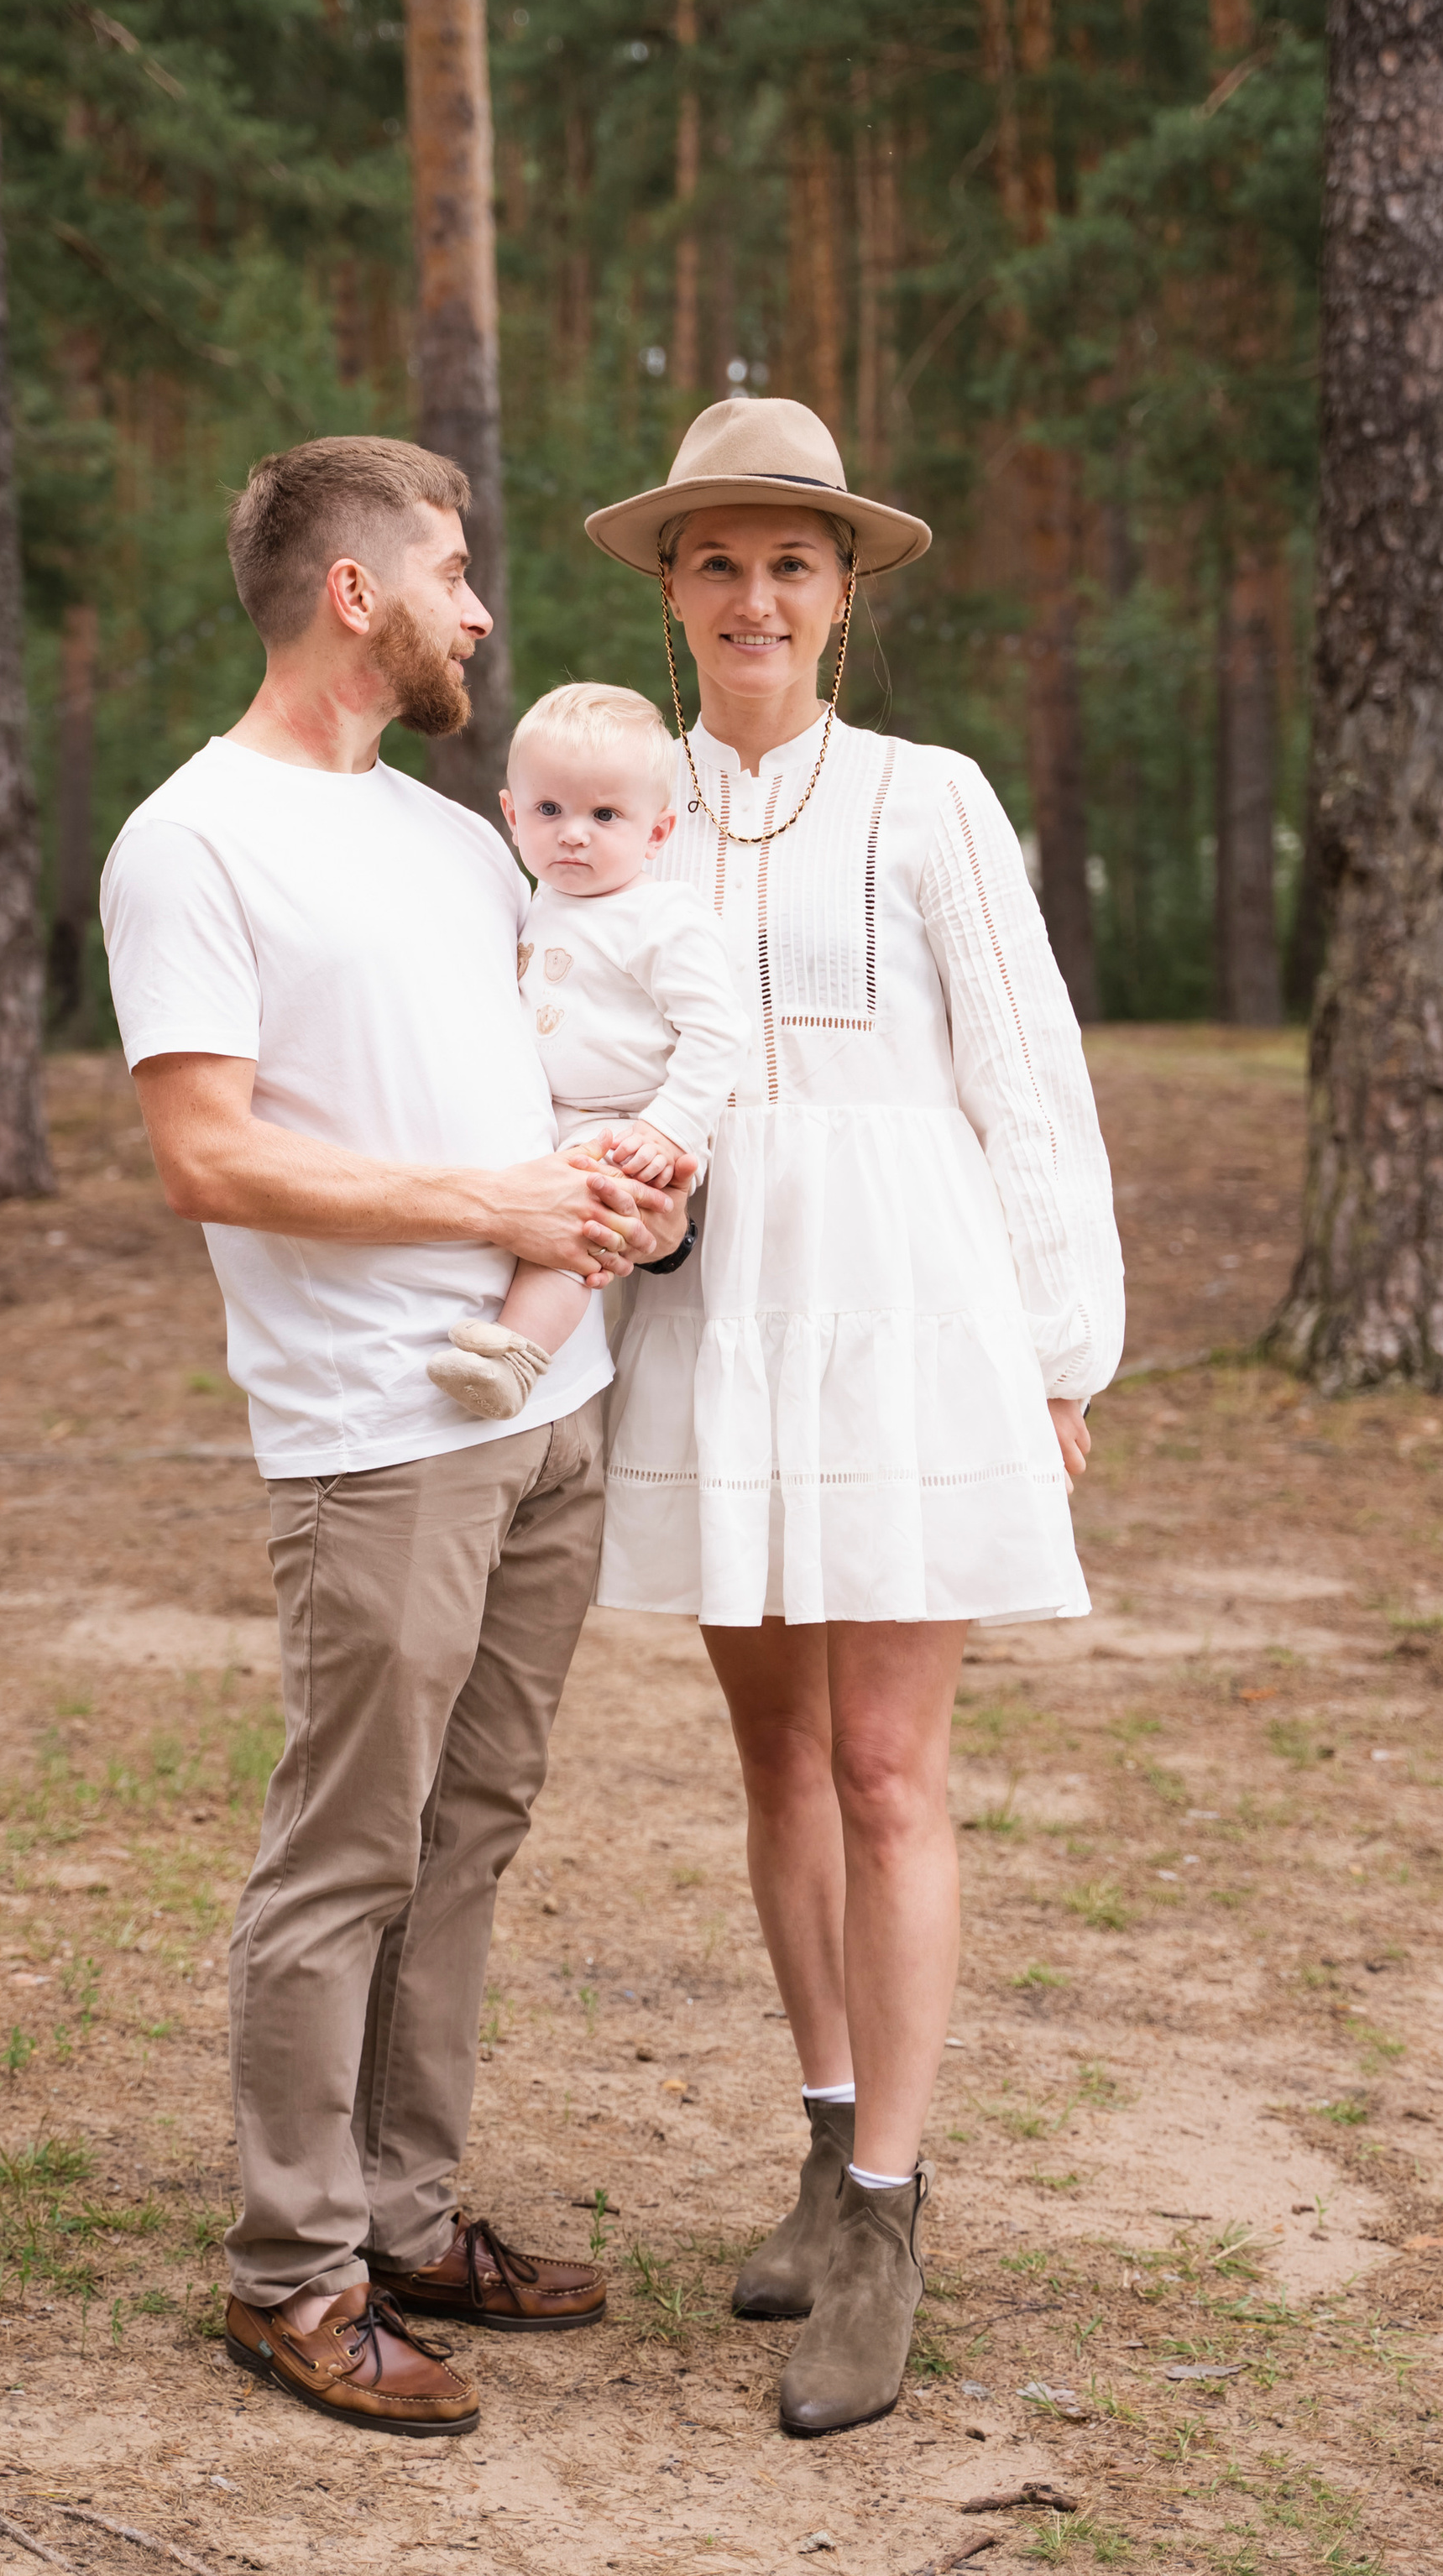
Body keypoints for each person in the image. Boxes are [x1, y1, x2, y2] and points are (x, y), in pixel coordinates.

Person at [99, 437, 691, 2440]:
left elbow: (512, 1096)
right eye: (451, 567)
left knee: (473, 1831)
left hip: (551, 1411)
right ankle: (290, 2271)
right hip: (376, 1431)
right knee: (343, 1852)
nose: (480, 607)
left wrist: (603, 1191)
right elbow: (204, 1155)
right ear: (354, 592)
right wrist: (497, 1211)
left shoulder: (457, 845)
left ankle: (412, 2214)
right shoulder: (191, 841)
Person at [583, 398, 1126, 2439]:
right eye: (714, 560)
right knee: (776, 1757)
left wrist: (1058, 1346)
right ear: (668, 587)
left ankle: (891, 2212)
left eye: (788, 562)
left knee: (891, 1766)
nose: (751, 596)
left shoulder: (923, 796)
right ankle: (821, 2146)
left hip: (904, 1306)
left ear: (842, 592)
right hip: (715, 1306)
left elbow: (1025, 1065)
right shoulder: (607, 805)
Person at [426, 681, 747, 1422]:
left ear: (657, 833)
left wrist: (667, 1128)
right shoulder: (536, 902)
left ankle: (515, 1357)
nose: (574, 833)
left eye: (605, 815)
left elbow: (717, 1031)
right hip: (561, 1114)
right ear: (512, 814)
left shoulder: (663, 916)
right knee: (551, 1208)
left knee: (578, 1221)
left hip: (631, 1123)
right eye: (550, 810)